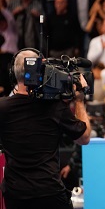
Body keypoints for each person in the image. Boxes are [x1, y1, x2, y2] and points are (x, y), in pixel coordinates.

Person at [0, 49, 91, 208]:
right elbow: (84, 138)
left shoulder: (2, 107)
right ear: (40, 71)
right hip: (49, 193)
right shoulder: (54, 107)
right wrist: (79, 100)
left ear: (13, 73)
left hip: (15, 194)